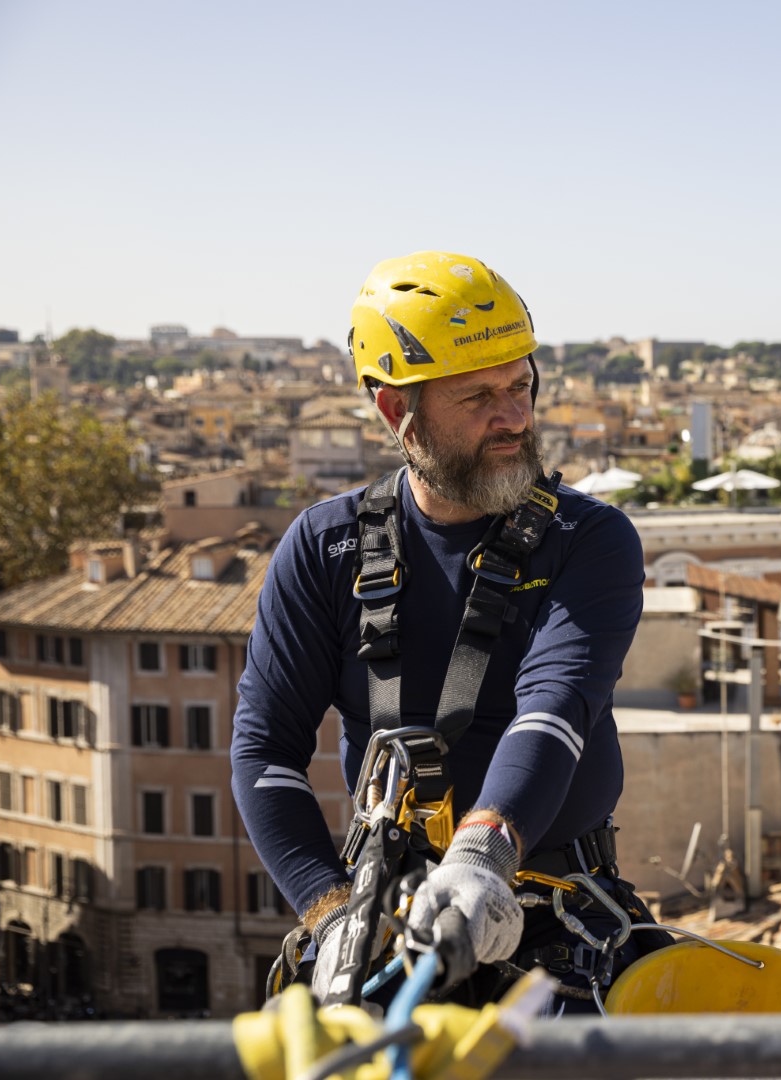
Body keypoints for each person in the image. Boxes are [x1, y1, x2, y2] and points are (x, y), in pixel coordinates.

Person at [231, 250, 651, 1009]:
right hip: (383, 919)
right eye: (479, 396)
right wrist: (330, 915)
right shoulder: (324, 548)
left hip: (555, 915)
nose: (515, 417)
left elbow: (555, 703)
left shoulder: (589, 540)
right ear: (397, 411)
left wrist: (484, 852)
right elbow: (265, 750)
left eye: (520, 385)